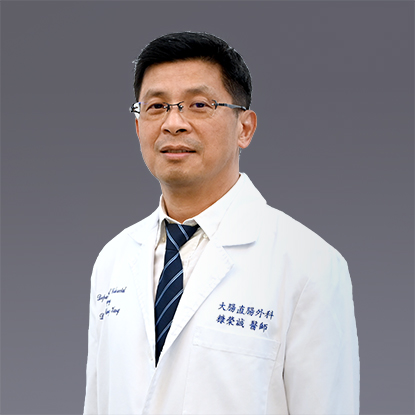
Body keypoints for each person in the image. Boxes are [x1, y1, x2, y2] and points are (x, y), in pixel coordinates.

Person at [83, 31, 359, 415]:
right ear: (138, 126)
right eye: (156, 107)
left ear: (244, 128)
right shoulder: (113, 260)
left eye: (198, 104)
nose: (173, 123)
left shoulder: (310, 265)